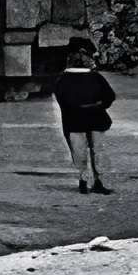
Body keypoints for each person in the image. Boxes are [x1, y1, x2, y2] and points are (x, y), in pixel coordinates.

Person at [50, 38, 117, 194]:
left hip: (74, 119)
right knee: (98, 150)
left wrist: (77, 108)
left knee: (79, 150)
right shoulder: (96, 77)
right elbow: (110, 97)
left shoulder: (62, 80)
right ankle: (98, 181)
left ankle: (83, 180)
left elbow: (62, 100)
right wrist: (97, 106)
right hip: (96, 117)